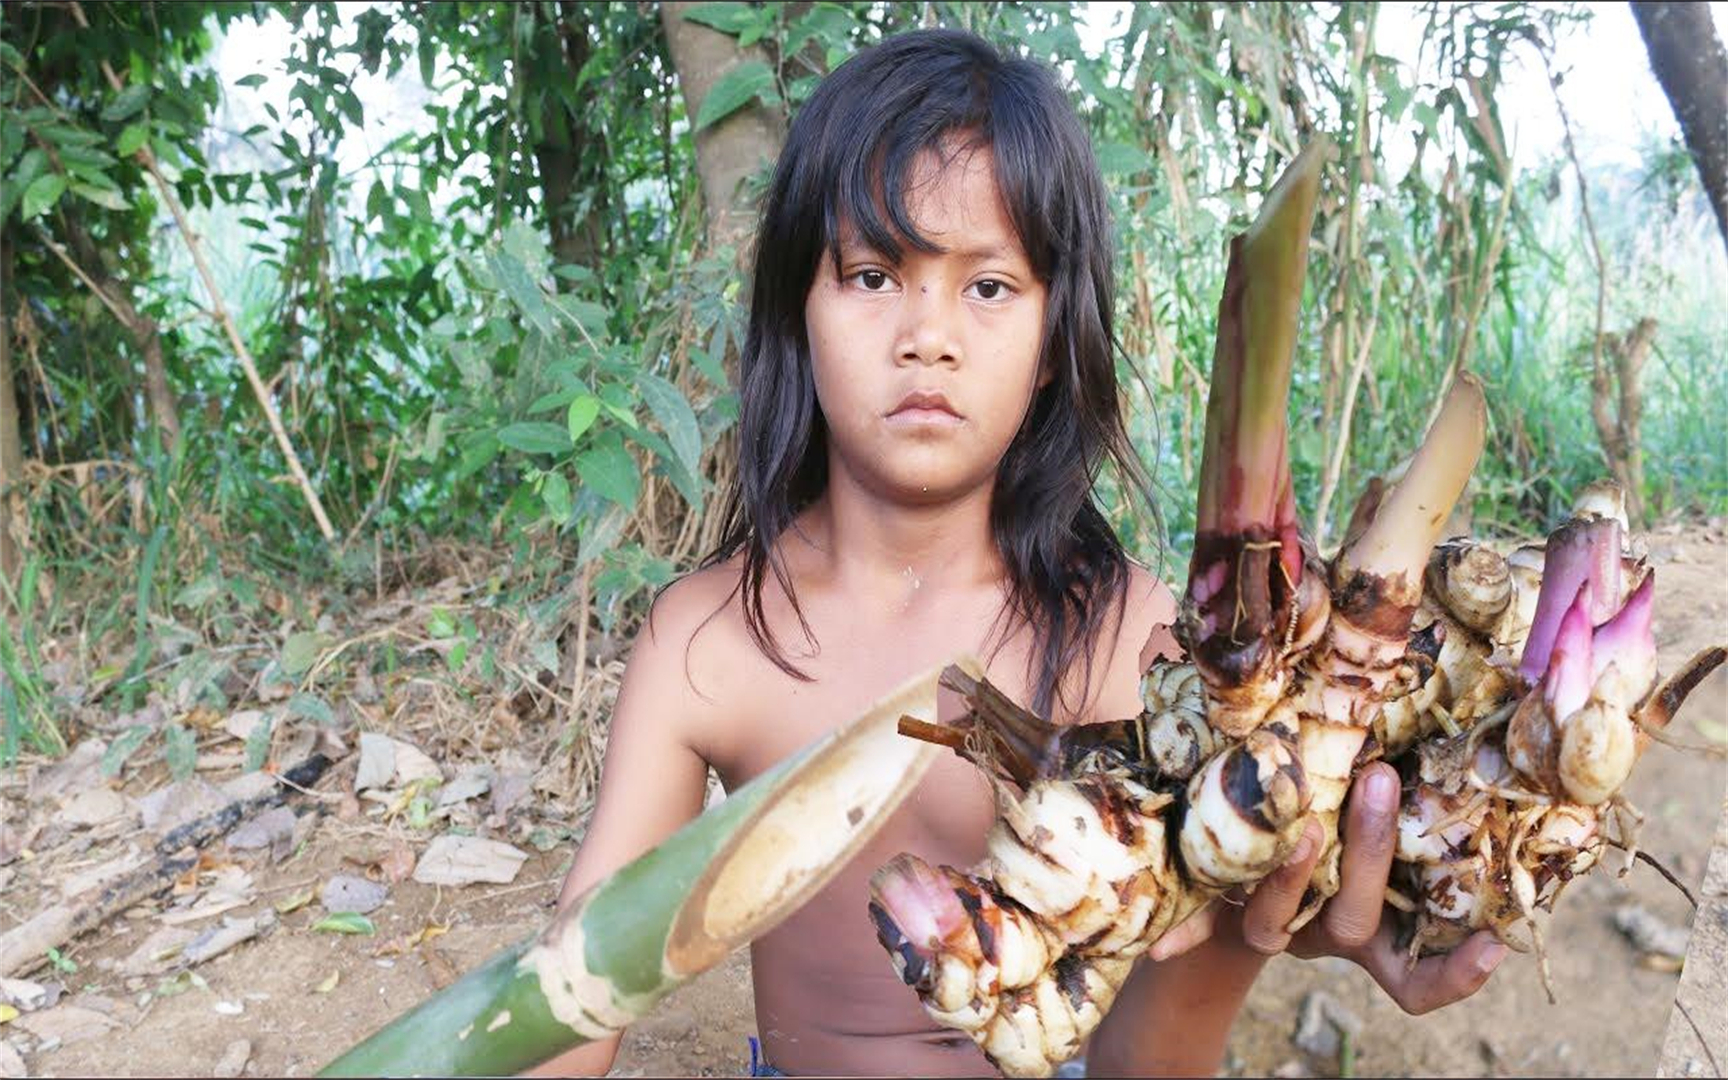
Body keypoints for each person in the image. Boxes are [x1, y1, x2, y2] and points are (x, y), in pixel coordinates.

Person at [531, 27, 1506, 1078]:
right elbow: (575, 994)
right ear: (796, 313)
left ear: (1052, 346)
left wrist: (1271, 911)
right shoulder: (711, 641)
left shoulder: (1122, 636)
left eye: (988, 287)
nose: (927, 335)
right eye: (870, 274)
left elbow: (1150, 1049)